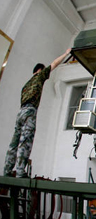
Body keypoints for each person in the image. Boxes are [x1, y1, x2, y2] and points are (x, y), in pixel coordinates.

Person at [4, 48, 71, 178]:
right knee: (26, 140)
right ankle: (20, 171)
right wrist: (66, 53)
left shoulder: (25, 85)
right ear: (39, 70)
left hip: (20, 112)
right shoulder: (39, 76)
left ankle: (7, 170)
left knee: (14, 143)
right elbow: (54, 64)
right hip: (30, 111)